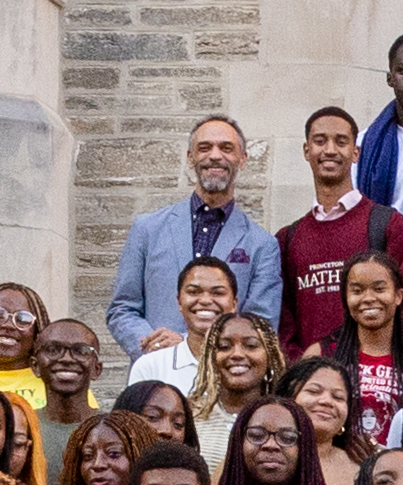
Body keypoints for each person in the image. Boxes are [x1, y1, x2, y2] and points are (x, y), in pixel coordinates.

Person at [110, 111, 286, 349]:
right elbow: (122, 309)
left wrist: (190, 347)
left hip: (225, 379)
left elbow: (260, 324)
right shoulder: (148, 228)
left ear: (242, 159)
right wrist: (156, 348)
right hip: (157, 375)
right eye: (204, 148)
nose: (215, 156)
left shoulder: (262, 245)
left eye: (226, 148)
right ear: (190, 157)